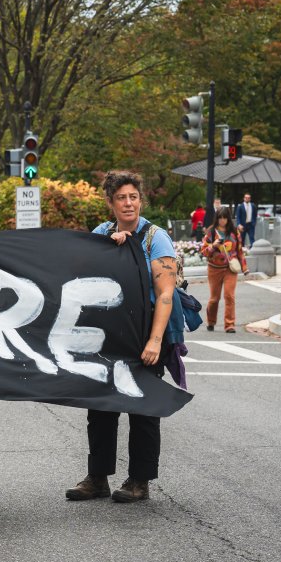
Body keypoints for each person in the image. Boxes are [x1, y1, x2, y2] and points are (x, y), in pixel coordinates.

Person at [66, 170, 177, 504]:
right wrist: (107, 249)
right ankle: (97, 477)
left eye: (133, 197)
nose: (128, 204)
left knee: (142, 406)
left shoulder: (155, 238)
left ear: (140, 200)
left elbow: (166, 293)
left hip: (145, 332)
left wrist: (155, 340)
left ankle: (139, 480)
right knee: (100, 404)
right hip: (108, 332)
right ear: (110, 202)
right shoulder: (101, 232)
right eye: (121, 198)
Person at [201, 207, 247, 334]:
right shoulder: (211, 232)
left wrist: (244, 268)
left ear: (228, 218)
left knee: (229, 296)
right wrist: (213, 245)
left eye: (225, 217)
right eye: (220, 218)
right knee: (214, 299)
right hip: (214, 269)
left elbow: (239, 251)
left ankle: (229, 325)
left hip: (230, 268)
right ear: (217, 218)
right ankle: (211, 321)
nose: (222, 220)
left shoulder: (234, 232)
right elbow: (203, 252)